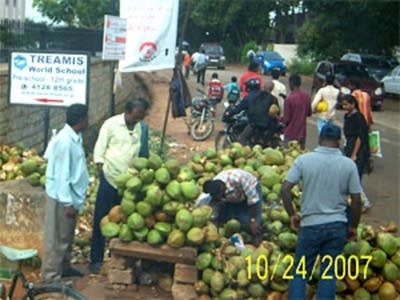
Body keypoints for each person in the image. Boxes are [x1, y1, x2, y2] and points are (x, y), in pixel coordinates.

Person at [281, 122, 362, 300]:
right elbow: (357, 201)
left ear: (319, 139)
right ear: (339, 141)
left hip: (310, 225)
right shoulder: (348, 165)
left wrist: (292, 215)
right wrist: (353, 226)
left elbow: (285, 189)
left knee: (300, 272)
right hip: (336, 226)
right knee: (328, 273)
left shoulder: (304, 160)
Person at [89, 99, 150, 273]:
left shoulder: (140, 128)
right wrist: (102, 171)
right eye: (137, 115)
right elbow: (99, 150)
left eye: (141, 116)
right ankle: (96, 259)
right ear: (129, 111)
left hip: (128, 183)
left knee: (124, 220)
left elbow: (141, 153)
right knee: (101, 218)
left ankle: (119, 257)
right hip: (110, 178)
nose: (138, 119)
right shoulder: (111, 124)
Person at [41, 104, 89, 283]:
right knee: (57, 238)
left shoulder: (76, 137)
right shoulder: (64, 141)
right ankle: (51, 276)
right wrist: (67, 203)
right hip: (62, 198)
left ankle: (65, 267)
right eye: (86, 117)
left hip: (73, 195)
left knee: (67, 235)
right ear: (81, 120)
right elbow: (62, 174)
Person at [202, 169, 263, 244]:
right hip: (234, 197)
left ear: (222, 190)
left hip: (251, 191)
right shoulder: (214, 187)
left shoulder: (239, 179)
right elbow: (213, 204)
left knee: (252, 224)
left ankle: (257, 238)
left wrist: (253, 220)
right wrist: (214, 221)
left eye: (218, 196)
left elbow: (253, 201)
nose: (218, 198)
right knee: (232, 222)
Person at [342, 95, 372, 211]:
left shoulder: (358, 117)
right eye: (343, 104)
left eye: (346, 104)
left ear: (353, 104)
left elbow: (360, 136)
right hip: (349, 146)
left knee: (354, 177)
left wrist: (354, 154)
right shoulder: (347, 116)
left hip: (358, 150)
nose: (344, 107)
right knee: (349, 176)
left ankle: (364, 202)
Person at [282, 74, 311, 149]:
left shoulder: (289, 99)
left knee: (288, 156)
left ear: (291, 83)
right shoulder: (307, 96)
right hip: (302, 134)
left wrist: (276, 117)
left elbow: (286, 119)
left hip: (290, 134)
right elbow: (309, 113)